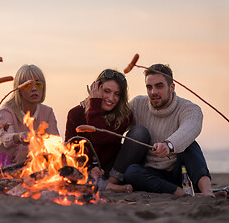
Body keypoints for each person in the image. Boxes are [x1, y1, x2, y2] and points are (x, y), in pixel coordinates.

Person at [124, 64, 225, 197]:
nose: (153, 92)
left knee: (190, 145)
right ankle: (183, 194)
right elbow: (116, 123)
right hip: (150, 174)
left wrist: (168, 145)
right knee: (131, 172)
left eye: (159, 86)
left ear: (171, 87)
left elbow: (190, 128)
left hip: (179, 170)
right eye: (149, 87)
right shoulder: (138, 104)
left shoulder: (189, 108)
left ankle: (207, 192)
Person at [65, 69, 149, 193]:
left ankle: (110, 184)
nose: (111, 98)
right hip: (85, 169)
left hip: (112, 169)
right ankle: (104, 186)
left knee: (140, 132)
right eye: (106, 91)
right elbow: (70, 149)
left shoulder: (124, 116)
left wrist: (94, 105)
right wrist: (89, 168)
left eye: (117, 94)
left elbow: (99, 137)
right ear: (96, 89)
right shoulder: (76, 114)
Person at [0, 64, 59, 170]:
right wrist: (19, 137)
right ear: (19, 90)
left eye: (38, 84)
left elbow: (54, 141)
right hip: (3, 162)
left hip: (33, 162)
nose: (34, 89)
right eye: (28, 85)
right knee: (5, 146)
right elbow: (6, 138)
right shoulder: (7, 110)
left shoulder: (48, 112)